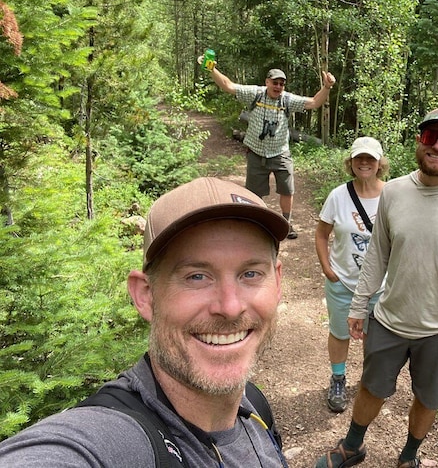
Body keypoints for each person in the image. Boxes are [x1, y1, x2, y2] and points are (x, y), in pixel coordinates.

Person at [0, 177, 291, 467]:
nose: (229, 307)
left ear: (277, 282)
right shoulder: (111, 439)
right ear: (145, 296)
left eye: (250, 274)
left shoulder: (254, 408)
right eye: (196, 276)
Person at [314, 107, 438, 468]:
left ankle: (409, 457)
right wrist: (358, 305)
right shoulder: (394, 193)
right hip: (389, 317)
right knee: (371, 387)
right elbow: (377, 256)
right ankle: (352, 446)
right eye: (431, 137)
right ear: (419, 141)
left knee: (428, 399)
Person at [200, 53, 336, 239]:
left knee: (287, 190)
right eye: (275, 82)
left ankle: (286, 223)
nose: (278, 87)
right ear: (267, 82)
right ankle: (256, 224)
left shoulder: (287, 100)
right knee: (254, 194)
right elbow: (228, 86)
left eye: (281, 84)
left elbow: (314, 102)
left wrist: (327, 86)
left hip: (280, 153)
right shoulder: (255, 94)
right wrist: (212, 69)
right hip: (256, 152)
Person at [315, 137, 389, 413]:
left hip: (380, 286)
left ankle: (368, 383)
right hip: (343, 281)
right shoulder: (338, 195)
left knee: (374, 336)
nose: (365, 163)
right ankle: (338, 379)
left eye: (370, 158)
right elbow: (322, 234)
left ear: (380, 163)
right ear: (351, 162)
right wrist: (327, 267)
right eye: (359, 158)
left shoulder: (392, 195)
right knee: (340, 332)